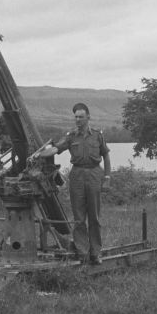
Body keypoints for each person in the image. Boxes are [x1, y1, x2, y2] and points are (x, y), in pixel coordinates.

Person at [38, 103, 111, 264]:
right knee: (79, 218)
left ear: (88, 117)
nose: (78, 120)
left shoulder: (97, 135)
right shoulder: (71, 136)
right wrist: (41, 153)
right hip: (77, 175)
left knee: (94, 217)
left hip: (94, 174)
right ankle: (83, 252)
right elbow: (57, 149)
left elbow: (105, 156)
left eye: (81, 117)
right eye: (76, 117)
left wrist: (107, 178)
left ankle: (95, 253)